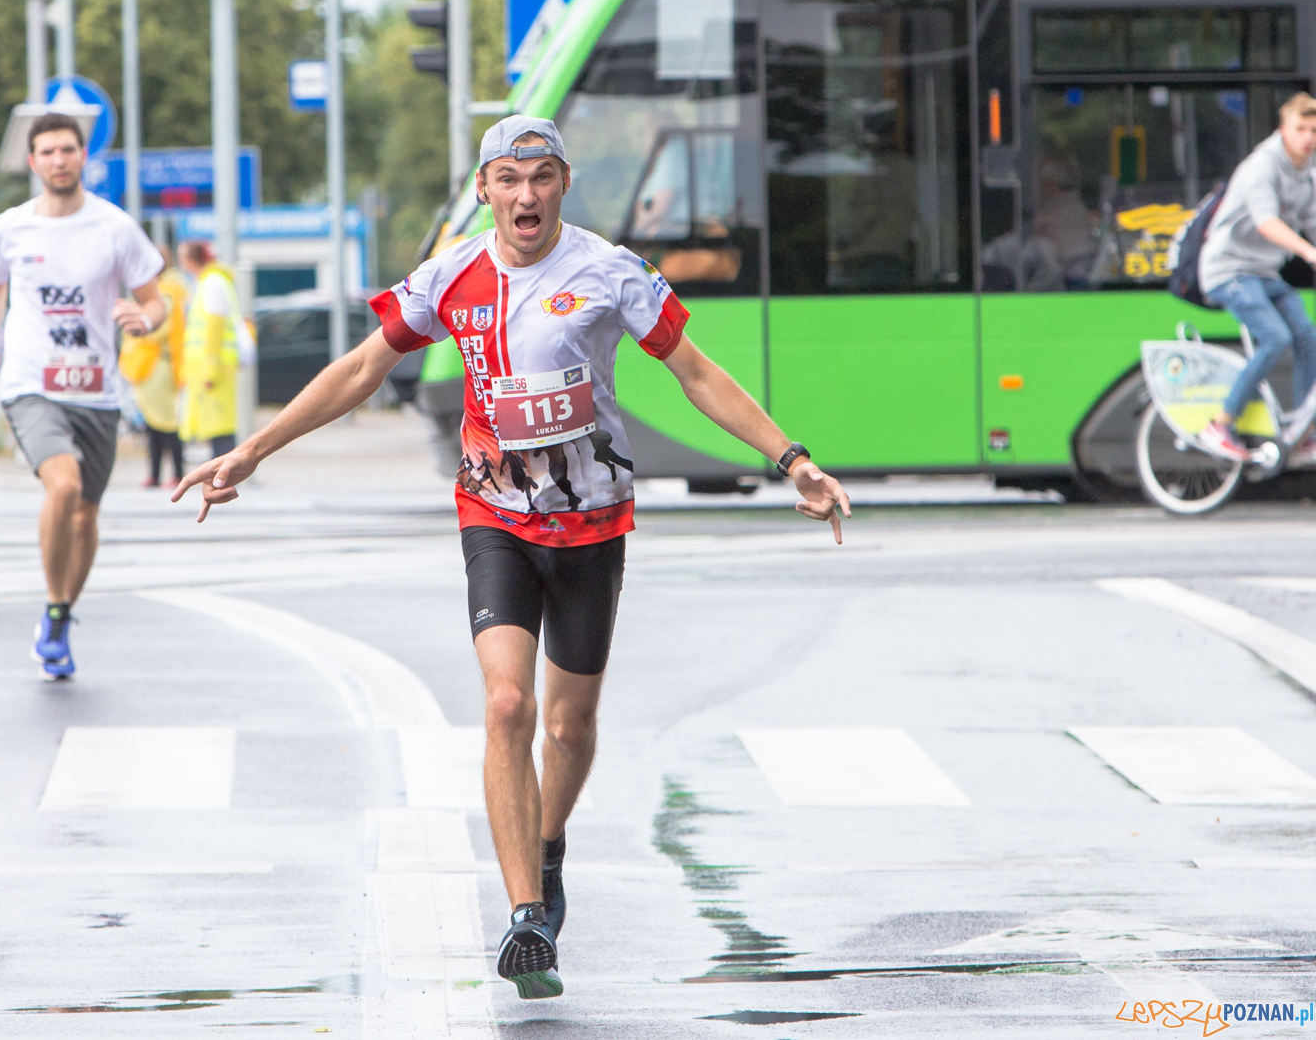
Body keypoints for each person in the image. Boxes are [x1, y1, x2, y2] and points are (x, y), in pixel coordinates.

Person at [173, 116, 851, 1000]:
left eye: (539, 177)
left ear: (563, 183)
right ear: (485, 189)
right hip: (493, 513)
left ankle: (550, 841)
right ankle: (528, 913)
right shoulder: (452, 273)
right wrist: (254, 449)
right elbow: (361, 368)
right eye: (506, 178)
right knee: (504, 704)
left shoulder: (609, 272)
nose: (524, 194)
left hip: (593, 523)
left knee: (569, 726)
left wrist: (790, 458)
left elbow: (697, 372)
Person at [0, 112, 165, 680]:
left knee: (86, 516)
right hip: (32, 384)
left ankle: (59, 613)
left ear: (84, 157)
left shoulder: (114, 227)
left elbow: (156, 300)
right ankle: (56, 613)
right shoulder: (9, 228)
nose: (58, 160)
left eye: (68, 150)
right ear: (32, 162)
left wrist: (144, 318)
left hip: (97, 390)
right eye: (48, 152)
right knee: (64, 483)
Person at [1199, 92, 1316, 461]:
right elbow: (1267, 224)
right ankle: (1220, 423)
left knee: (1307, 335)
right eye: (1300, 128)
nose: (1308, 137)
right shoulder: (1261, 167)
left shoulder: (1307, 173)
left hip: (1263, 272)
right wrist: (1308, 252)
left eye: (1314, 130)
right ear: (1283, 130)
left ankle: (1302, 429)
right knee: (1276, 337)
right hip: (1229, 269)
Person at [119, 243, 187, 487]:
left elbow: (159, 327)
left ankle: (177, 472)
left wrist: (138, 319)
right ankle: (156, 473)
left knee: (165, 422)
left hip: (159, 364)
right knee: (152, 423)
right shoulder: (164, 289)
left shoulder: (167, 292)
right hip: (151, 364)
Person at [176, 240, 240, 459]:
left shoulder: (212, 283)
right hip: (209, 367)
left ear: (194, 260)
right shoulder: (208, 283)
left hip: (214, 368)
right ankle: (221, 475)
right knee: (214, 425)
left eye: (183, 259)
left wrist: (210, 367)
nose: (182, 265)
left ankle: (223, 477)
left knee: (219, 426)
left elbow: (215, 327)